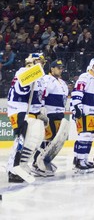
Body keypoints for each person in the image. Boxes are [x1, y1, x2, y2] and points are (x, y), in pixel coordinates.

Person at [6, 53, 47, 182]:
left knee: (31, 140)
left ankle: (22, 165)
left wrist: (39, 111)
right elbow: (20, 90)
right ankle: (12, 169)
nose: (41, 63)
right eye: (39, 61)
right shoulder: (23, 71)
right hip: (18, 109)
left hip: (30, 111)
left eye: (42, 61)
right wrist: (31, 71)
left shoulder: (41, 76)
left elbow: (39, 96)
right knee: (20, 139)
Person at [71, 57, 94, 172]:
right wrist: (77, 107)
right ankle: (79, 160)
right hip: (86, 112)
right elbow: (77, 92)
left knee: (90, 136)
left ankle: (84, 159)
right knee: (84, 136)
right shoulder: (84, 77)